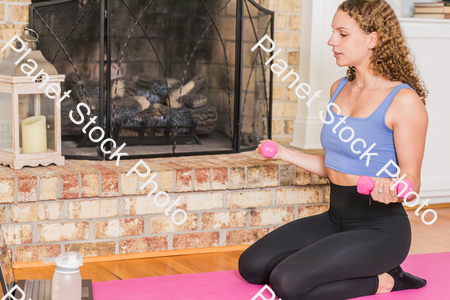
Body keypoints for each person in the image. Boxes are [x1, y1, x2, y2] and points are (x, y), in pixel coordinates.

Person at [238, 0, 429, 299]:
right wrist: (285, 153)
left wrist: (395, 187)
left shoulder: (403, 101)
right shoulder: (338, 89)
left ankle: (387, 280)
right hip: (335, 218)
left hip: (380, 229)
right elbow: (336, 164)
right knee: (251, 266)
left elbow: (412, 179)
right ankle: (340, 263)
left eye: (342, 34)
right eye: (332, 32)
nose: (331, 41)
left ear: (373, 39)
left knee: (287, 283)